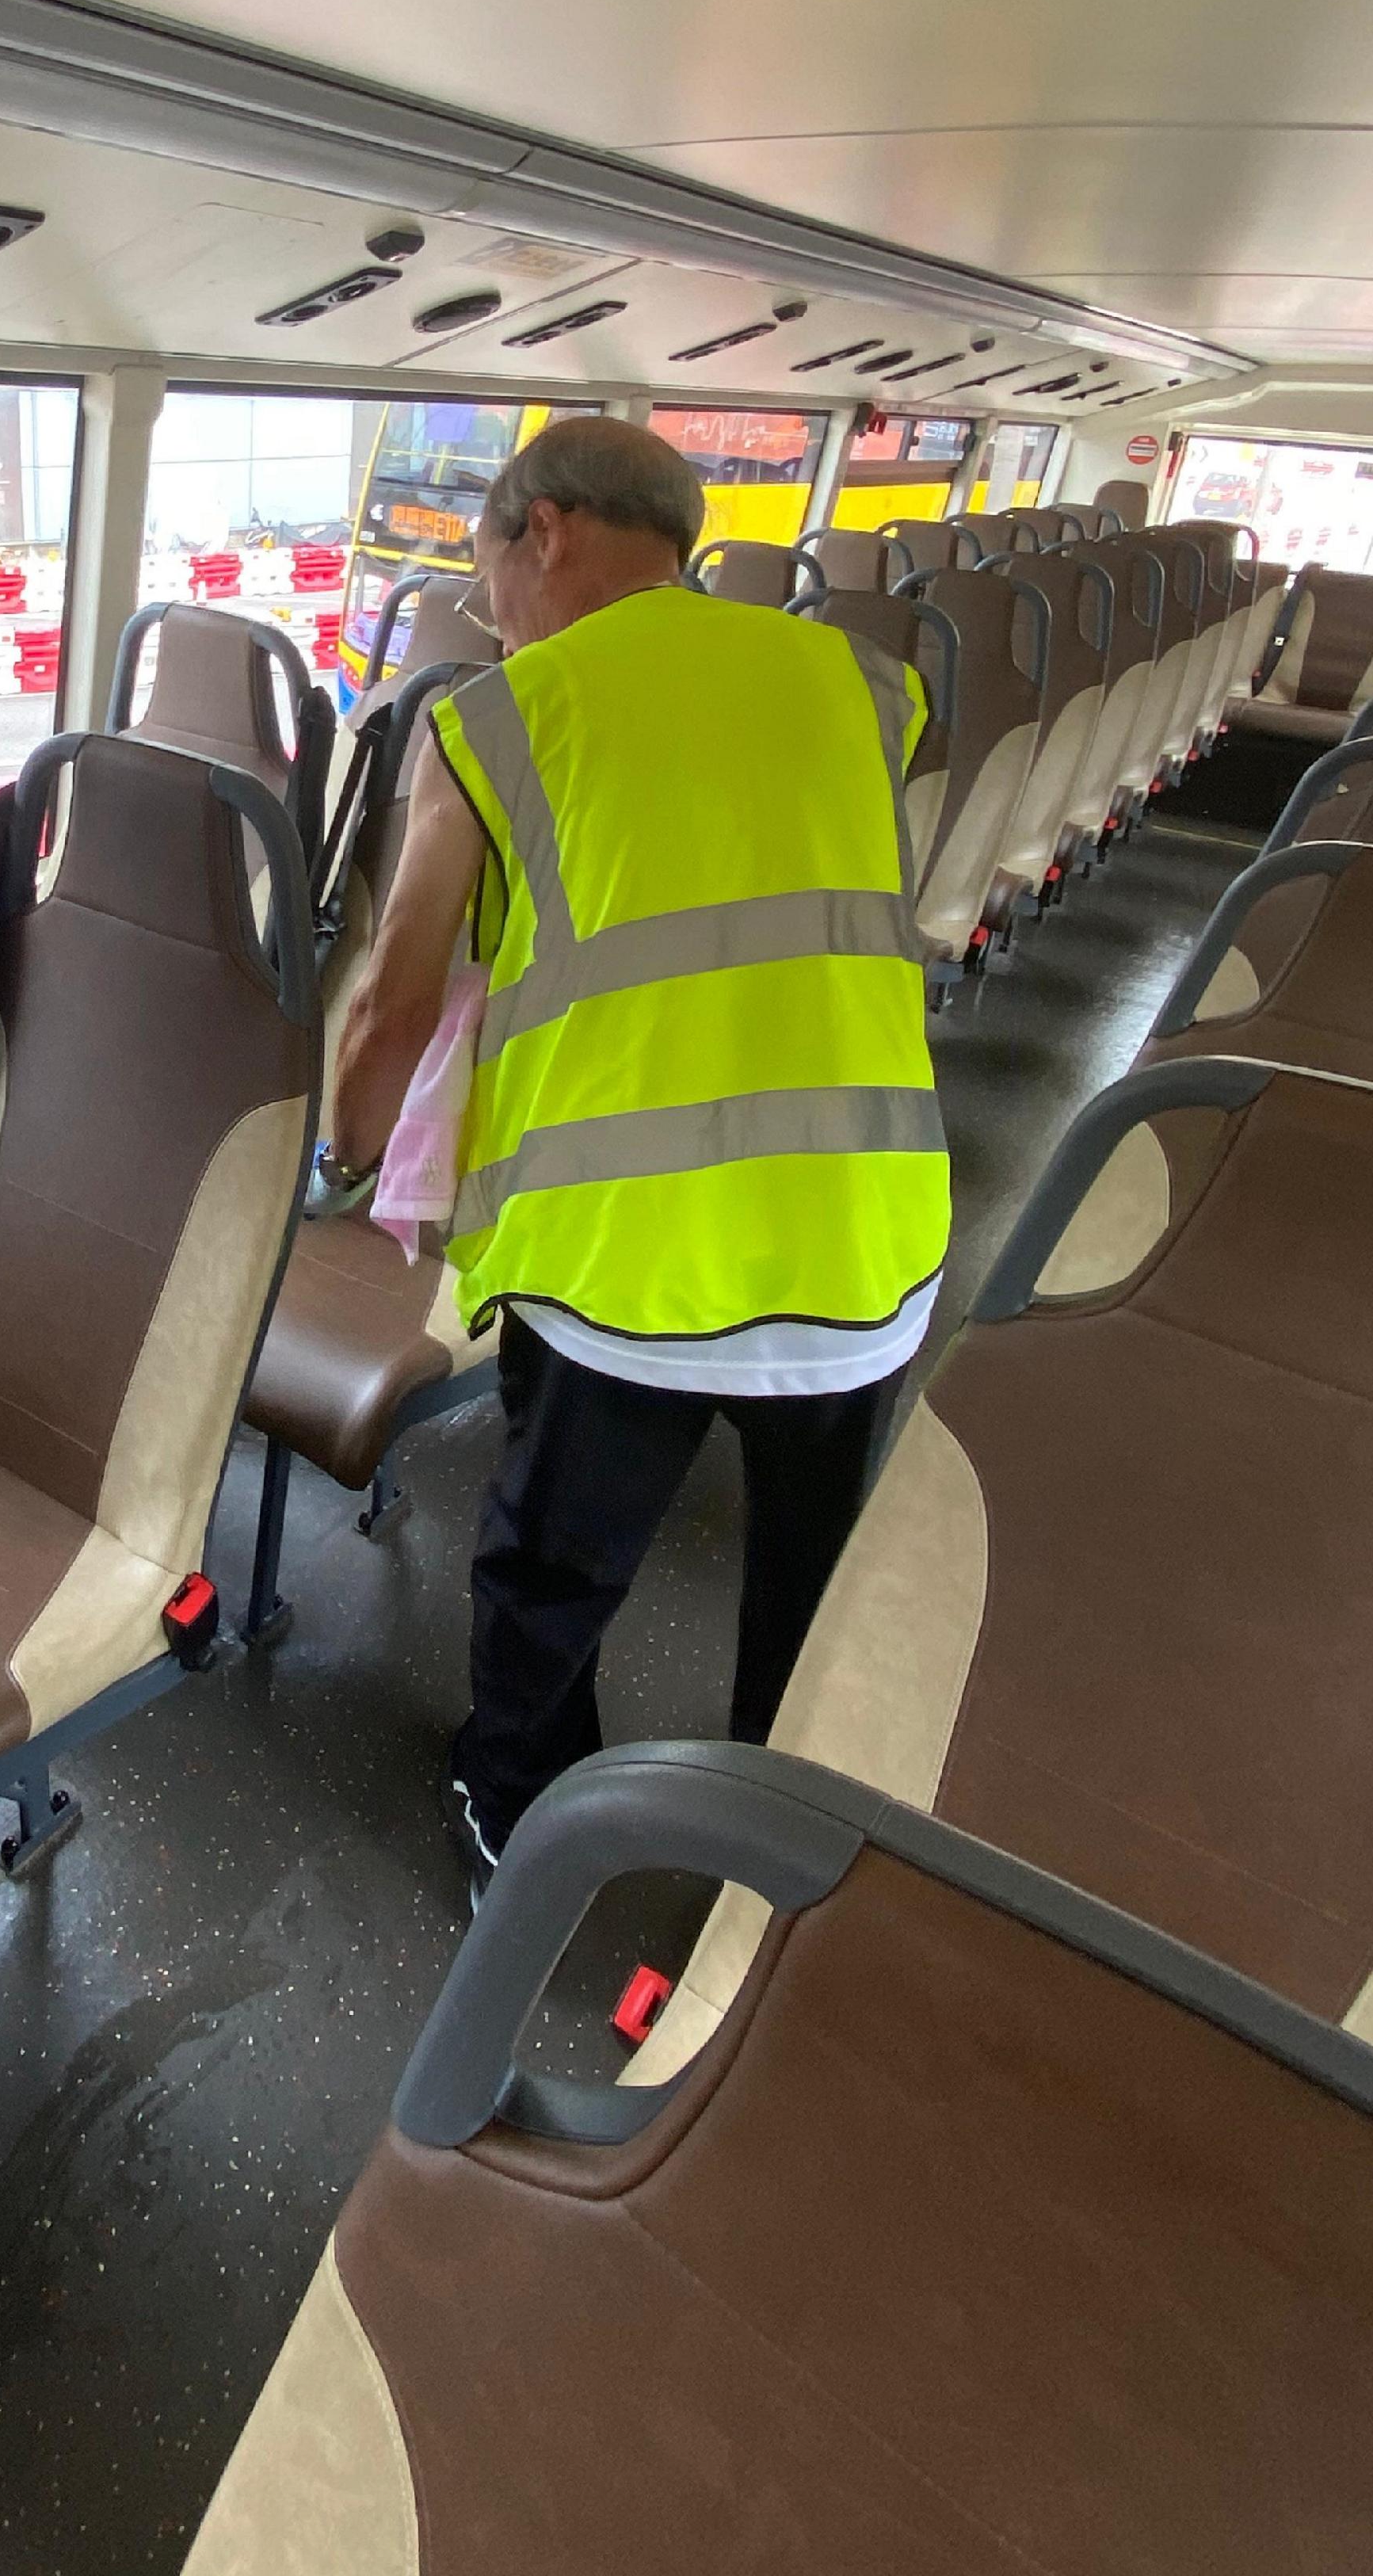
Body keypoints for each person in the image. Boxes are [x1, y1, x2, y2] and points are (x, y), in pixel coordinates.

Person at [315, 418, 950, 1895]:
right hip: (862, 1231)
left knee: (549, 1578)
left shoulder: (496, 716)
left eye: (486, 574)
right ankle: (774, 1855)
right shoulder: (863, 684)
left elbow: (397, 996)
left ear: (541, 529)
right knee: (807, 1591)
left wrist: (346, 1162)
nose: (489, 612)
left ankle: (520, 1825)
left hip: (626, 1258)